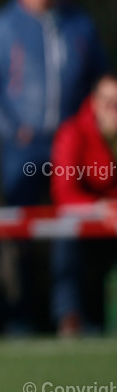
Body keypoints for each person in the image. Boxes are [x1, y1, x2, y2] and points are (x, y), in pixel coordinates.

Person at [0, 0, 107, 332]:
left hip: (70, 146)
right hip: (22, 148)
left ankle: (68, 315)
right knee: (19, 232)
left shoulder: (79, 24)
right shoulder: (2, 27)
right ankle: (19, 319)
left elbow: (101, 83)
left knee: (71, 227)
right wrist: (10, 130)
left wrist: (85, 131)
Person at [50, 74, 117, 336]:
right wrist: (103, 209)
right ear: (95, 104)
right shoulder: (72, 133)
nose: (115, 112)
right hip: (83, 223)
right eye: (110, 104)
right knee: (66, 237)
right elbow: (64, 194)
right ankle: (70, 319)